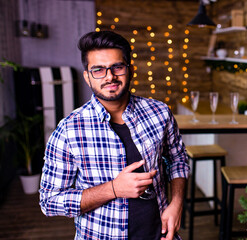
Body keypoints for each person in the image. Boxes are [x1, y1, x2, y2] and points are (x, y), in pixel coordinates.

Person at [39, 30, 190, 240]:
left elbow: (177, 159)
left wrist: (176, 204)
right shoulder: (69, 130)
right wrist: (113, 189)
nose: (110, 76)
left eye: (117, 67)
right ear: (87, 77)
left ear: (130, 70)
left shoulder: (160, 113)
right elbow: (49, 201)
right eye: (98, 70)